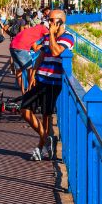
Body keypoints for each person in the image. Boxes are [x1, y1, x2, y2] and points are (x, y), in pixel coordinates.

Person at [19, 9, 73, 161]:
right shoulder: (48, 37)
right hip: (41, 79)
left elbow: (56, 52)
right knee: (24, 109)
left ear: (60, 22)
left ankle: (40, 148)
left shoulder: (68, 38)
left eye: (51, 20)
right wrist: (33, 74)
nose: (48, 23)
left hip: (53, 82)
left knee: (46, 116)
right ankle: (46, 138)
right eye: (48, 19)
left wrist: (51, 34)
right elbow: (41, 55)